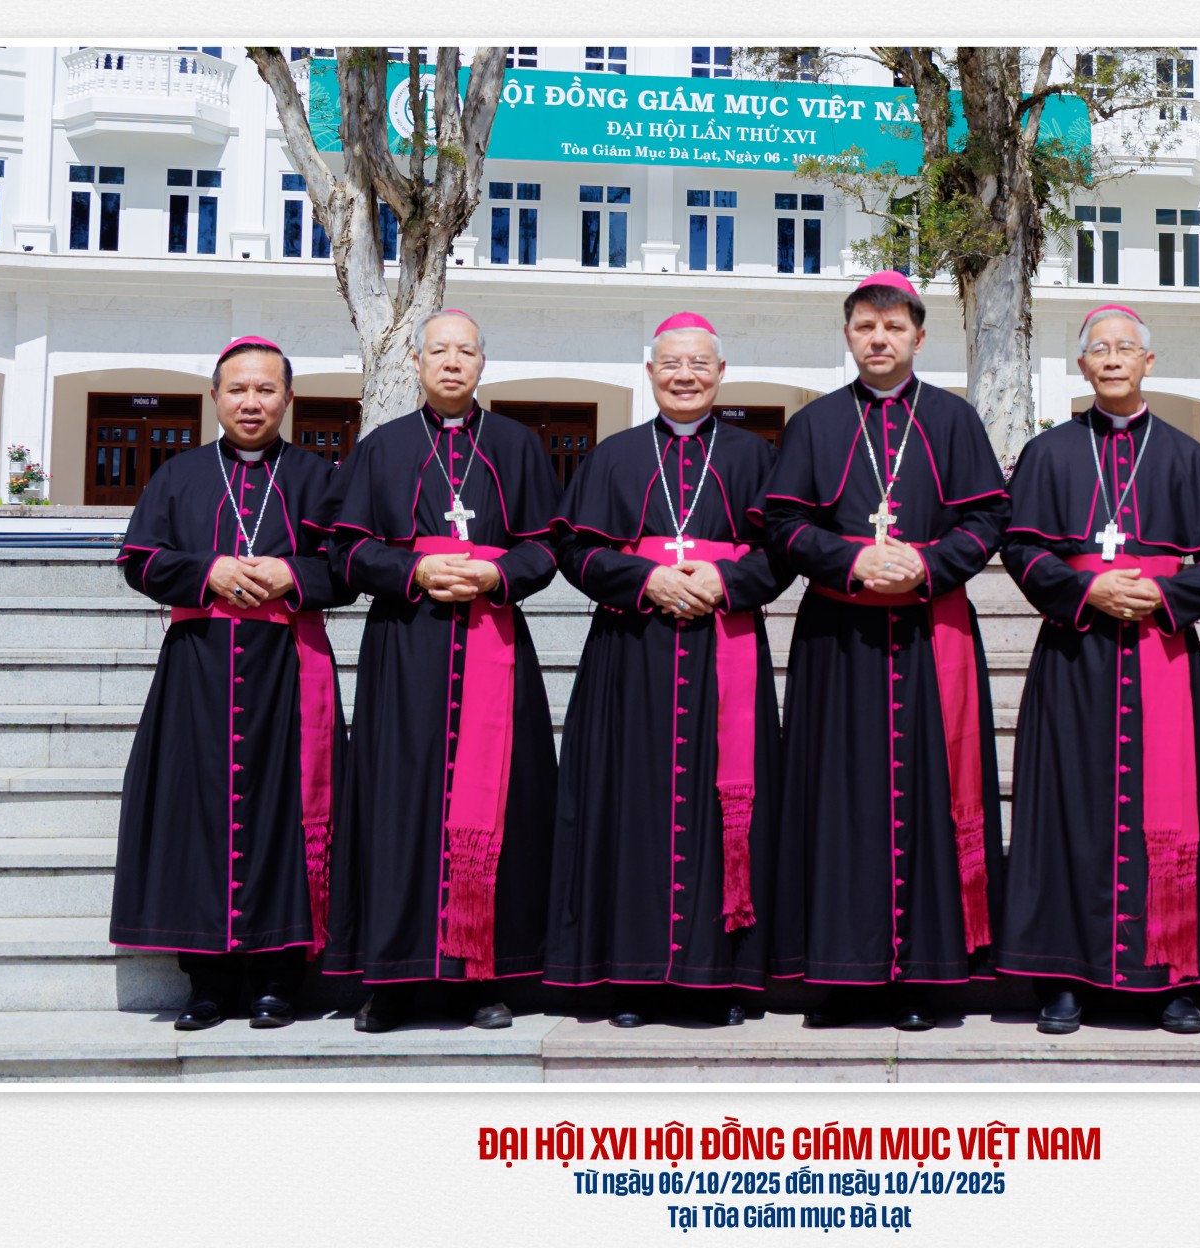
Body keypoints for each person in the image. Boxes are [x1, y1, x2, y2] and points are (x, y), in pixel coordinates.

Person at [760, 271, 1011, 1032]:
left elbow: (987, 518)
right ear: (848, 336)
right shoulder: (816, 424)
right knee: (838, 801)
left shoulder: (954, 419)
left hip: (933, 636)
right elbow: (784, 525)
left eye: (894, 327)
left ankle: (923, 977)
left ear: (919, 338)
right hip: (840, 641)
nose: (879, 339)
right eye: (866, 327)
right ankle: (842, 975)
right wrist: (853, 560)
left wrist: (925, 566)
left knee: (932, 797)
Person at [996, 304, 1200, 1036]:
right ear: (1082, 366)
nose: (1111, 359)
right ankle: (1063, 977)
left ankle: (1172, 977)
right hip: (1075, 655)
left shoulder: (1188, 457)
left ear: (1147, 363)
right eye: (1098, 349)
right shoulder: (1049, 454)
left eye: (1125, 348)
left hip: (1161, 649)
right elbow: (1020, 548)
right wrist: (1086, 589)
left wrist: (1166, 596)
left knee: (1172, 813)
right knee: (1065, 810)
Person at [544, 312, 793, 1027]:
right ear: (650, 372)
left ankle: (721, 975)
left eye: (699, 364)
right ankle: (633, 976)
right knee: (631, 805)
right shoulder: (615, 456)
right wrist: (644, 580)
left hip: (724, 647)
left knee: (728, 807)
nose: (686, 376)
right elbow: (574, 551)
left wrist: (726, 581)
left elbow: (784, 549)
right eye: (672, 364)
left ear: (721, 373)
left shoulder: (756, 457)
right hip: (632, 652)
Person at [322, 309, 561, 1034]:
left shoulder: (516, 446)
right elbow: (347, 551)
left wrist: (496, 576)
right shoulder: (383, 447)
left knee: (498, 808)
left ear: (483, 363)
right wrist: (417, 571)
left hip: (494, 643)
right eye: (439, 351)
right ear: (417, 364)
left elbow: (547, 547)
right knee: (397, 807)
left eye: (466, 351)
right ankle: (391, 980)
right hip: (407, 649)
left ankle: (480, 979)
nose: (452, 362)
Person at [110, 336, 352, 1031]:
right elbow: (138, 560)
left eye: (266, 390)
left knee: (283, 812)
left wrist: (292, 574)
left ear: (288, 399)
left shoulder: (318, 477)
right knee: (196, 812)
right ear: (215, 397)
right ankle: (206, 982)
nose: (252, 402)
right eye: (238, 389)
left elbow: (350, 567)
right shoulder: (178, 475)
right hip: (199, 670)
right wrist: (207, 571)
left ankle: (279, 977)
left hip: (288, 674)